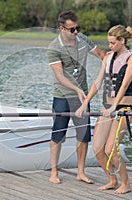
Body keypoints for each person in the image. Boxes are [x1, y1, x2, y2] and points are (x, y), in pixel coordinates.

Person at [75, 25, 132, 194]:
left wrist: (114, 106)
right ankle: (112, 180)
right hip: (106, 107)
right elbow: (98, 83)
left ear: (122, 41)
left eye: (113, 43)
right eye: (109, 43)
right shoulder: (108, 58)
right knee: (97, 148)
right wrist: (85, 103)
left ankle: (125, 183)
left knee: (111, 148)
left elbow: (124, 85)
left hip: (123, 109)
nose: (110, 46)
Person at [46, 10, 105, 184]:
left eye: (77, 28)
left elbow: (102, 55)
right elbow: (60, 76)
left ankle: (81, 172)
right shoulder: (54, 48)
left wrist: (119, 60)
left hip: (82, 98)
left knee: (83, 135)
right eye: (72, 29)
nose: (76, 32)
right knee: (58, 135)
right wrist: (76, 89)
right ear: (61, 28)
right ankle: (54, 172)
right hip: (62, 96)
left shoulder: (83, 40)